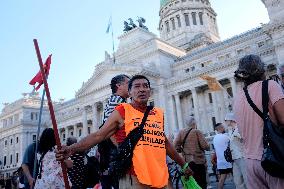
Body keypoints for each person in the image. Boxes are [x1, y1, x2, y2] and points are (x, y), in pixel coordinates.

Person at [56, 75, 193, 189]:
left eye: (145, 86)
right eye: (137, 86)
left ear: (150, 91)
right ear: (130, 92)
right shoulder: (122, 111)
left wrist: (183, 164)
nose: (142, 89)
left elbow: (164, 143)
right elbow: (99, 135)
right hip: (134, 178)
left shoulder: (157, 113)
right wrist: (72, 149)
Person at [234, 54, 284, 189]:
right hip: (273, 157)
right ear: (262, 70)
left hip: (250, 162)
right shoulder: (270, 86)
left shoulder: (238, 97)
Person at [99, 74, 130, 189]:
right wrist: (120, 148)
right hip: (113, 149)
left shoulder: (118, 100)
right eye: (128, 83)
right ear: (119, 86)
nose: (131, 86)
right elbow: (109, 127)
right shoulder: (117, 100)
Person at [174, 116, 210, 189]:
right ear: (194, 123)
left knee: (191, 183)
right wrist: (208, 146)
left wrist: (182, 150)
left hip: (187, 162)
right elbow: (205, 146)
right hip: (198, 161)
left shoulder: (181, 132)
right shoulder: (197, 132)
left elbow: (175, 145)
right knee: (201, 182)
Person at [224, 113, 247, 189]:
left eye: (226, 120)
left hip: (242, 156)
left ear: (231, 120)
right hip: (234, 158)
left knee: (247, 179)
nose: (225, 122)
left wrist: (238, 135)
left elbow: (245, 139)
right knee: (237, 181)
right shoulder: (230, 131)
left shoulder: (239, 128)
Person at [213, 123, 232, 189]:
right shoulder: (225, 136)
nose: (224, 128)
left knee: (222, 179)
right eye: (223, 127)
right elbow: (232, 142)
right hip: (229, 161)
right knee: (237, 177)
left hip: (220, 161)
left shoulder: (214, 138)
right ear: (220, 128)